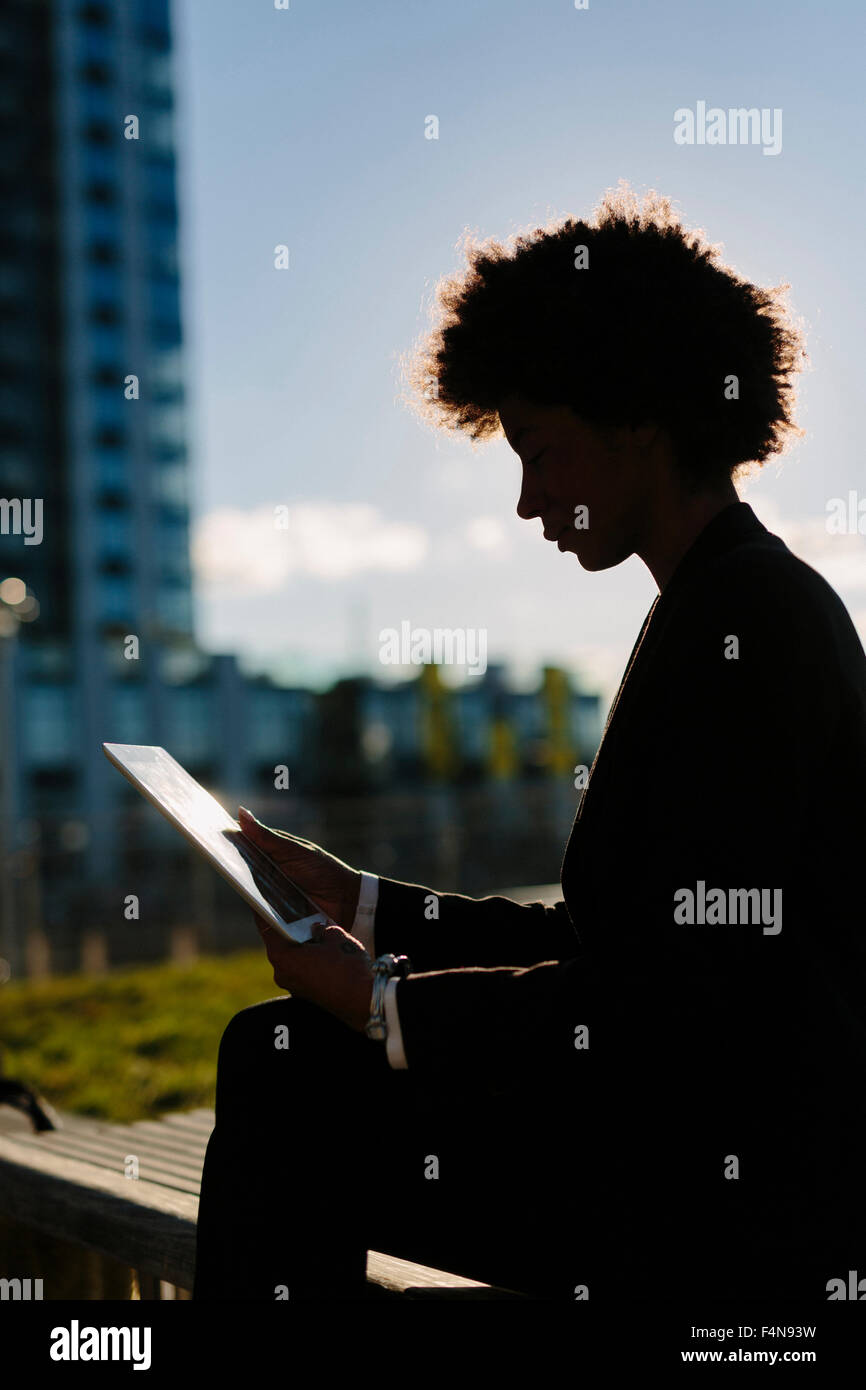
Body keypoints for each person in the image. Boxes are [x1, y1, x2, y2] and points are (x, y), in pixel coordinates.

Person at [193, 187, 866, 1303]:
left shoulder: (744, 633)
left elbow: (665, 1007)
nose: (524, 502)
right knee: (285, 1062)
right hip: (702, 1150)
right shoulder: (729, 606)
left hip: (740, 1214)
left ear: (639, 418)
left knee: (288, 1072)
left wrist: (379, 1002)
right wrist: (361, 901)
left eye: (541, 454)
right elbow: (628, 943)